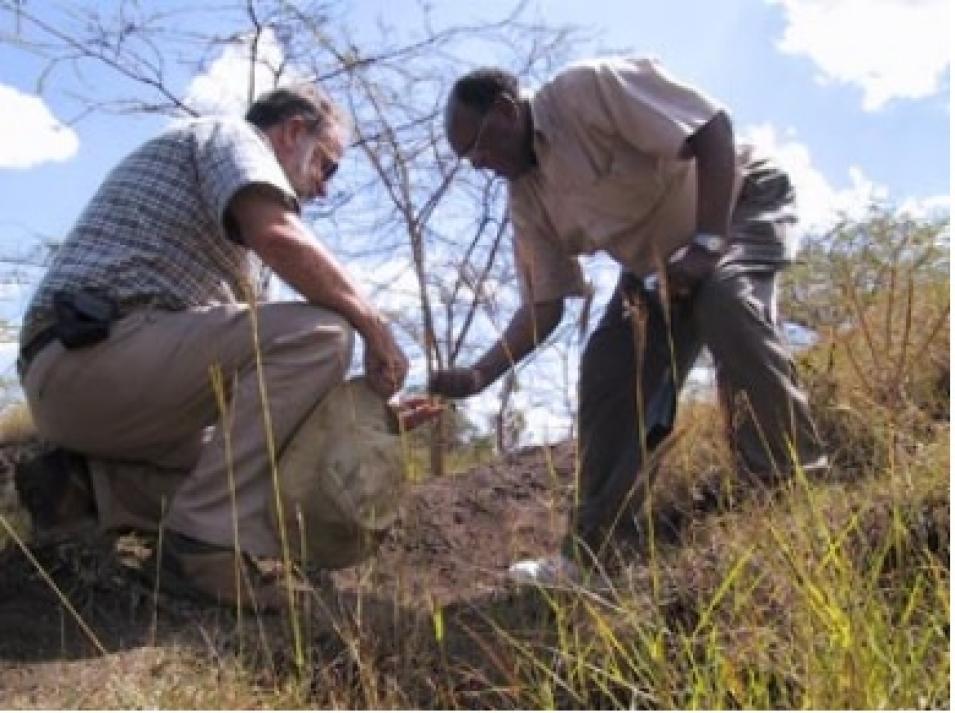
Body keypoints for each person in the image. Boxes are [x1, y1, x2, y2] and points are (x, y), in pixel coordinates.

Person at [14, 84, 436, 608]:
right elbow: (280, 237)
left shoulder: (239, 252)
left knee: (256, 474)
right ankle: (199, 550)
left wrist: (372, 415)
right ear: (292, 132)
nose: (324, 189)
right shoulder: (232, 136)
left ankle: (87, 486)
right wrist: (373, 324)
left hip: (98, 389)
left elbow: (266, 407)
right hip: (93, 355)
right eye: (326, 165)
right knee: (326, 331)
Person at [432, 57, 827, 584]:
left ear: (505, 111)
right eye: (466, 158)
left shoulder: (588, 90)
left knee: (726, 299)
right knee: (608, 370)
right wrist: (480, 375)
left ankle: (789, 492)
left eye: (477, 146)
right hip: (655, 265)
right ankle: (597, 555)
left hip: (737, 204)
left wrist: (709, 243)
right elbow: (543, 305)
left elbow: (712, 130)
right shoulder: (526, 197)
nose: (478, 163)